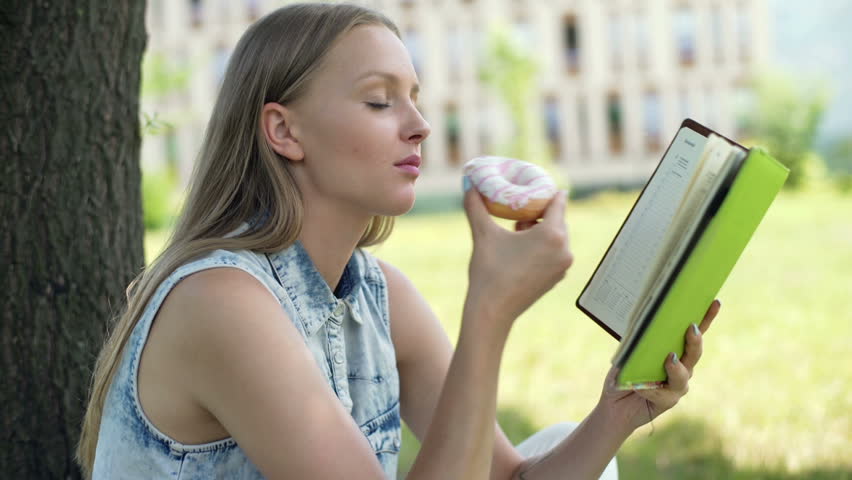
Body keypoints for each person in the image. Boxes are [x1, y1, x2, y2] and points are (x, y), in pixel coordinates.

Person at [76, 3, 720, 479]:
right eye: (380, 102)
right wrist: (489, 311)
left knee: (566, 447)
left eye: (414, 98)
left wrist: (619, 410)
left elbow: (506, 478)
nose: (419, 127)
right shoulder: (221, 302)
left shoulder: (381, 298)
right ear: (284, 131)